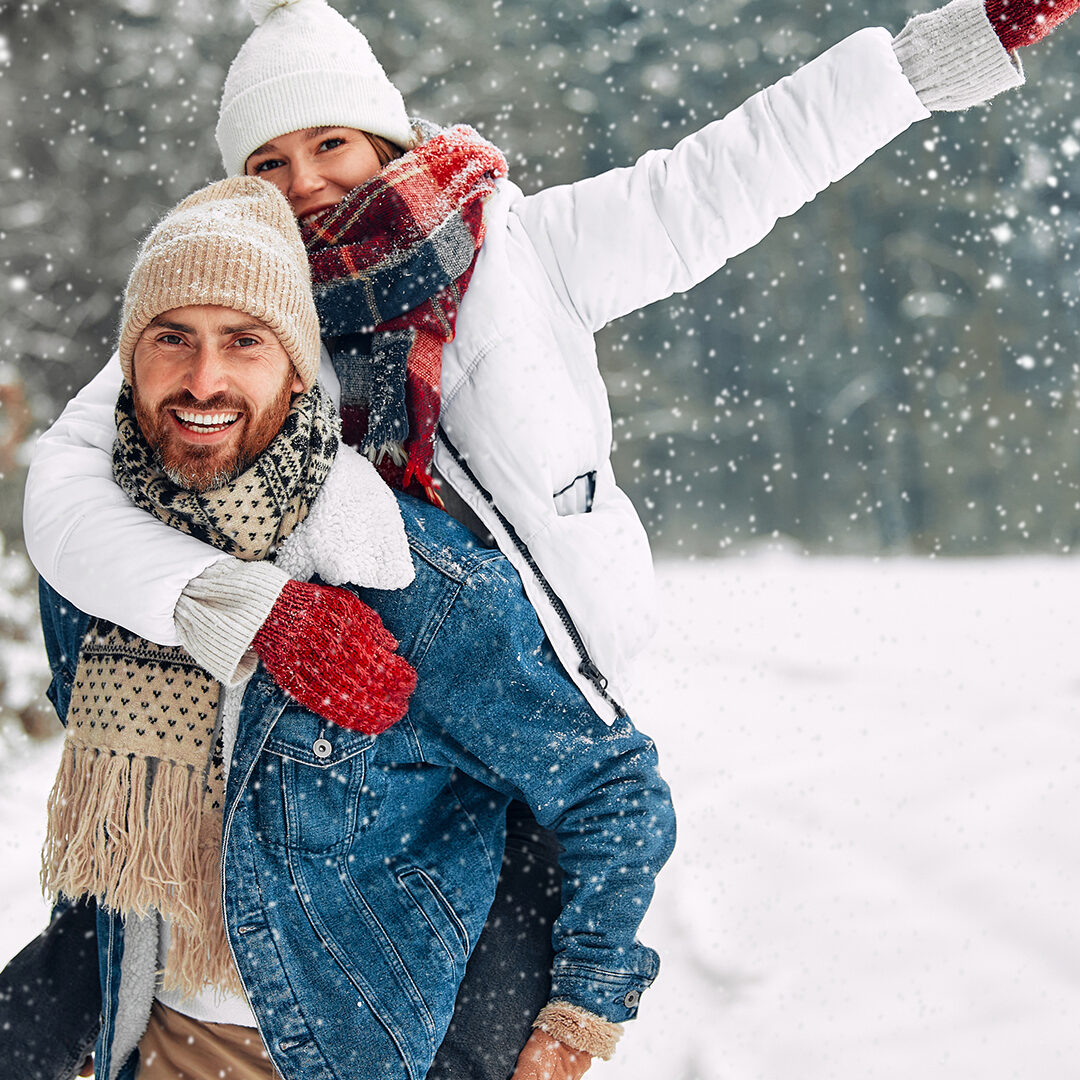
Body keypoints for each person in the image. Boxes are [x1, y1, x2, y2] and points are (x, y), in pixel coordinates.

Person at [12, 0, 1079, 1074]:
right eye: (270, 161)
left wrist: (929, 62)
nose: (305, 184)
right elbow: (64, 484)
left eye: (328, 143)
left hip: (525, 700)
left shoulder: (524, 251)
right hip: (374, 741)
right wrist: (240, 605)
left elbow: (728, 174)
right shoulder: (237, 308)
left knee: (489, 1033)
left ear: (384, 138)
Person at [32, 175, 675, 1080]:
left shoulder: (414, 581)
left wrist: (579, 1019)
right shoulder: (94, 576)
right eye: (171, 339)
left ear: (299, 368)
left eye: (243, 342)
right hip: (145, 1039)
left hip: (332, 1053)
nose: (203, 379)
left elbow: (612, 785)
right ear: (129, 365)